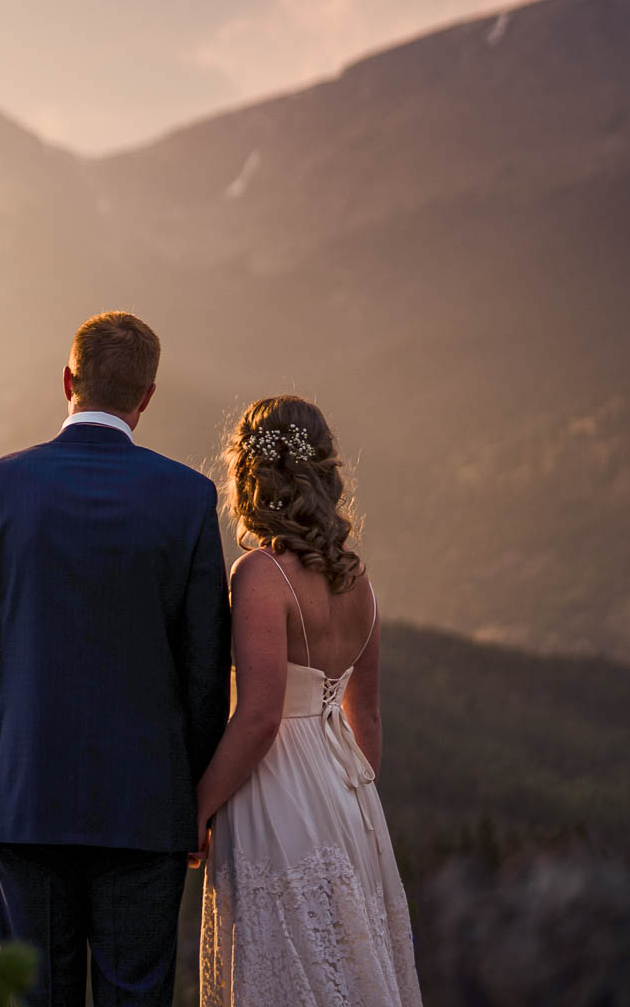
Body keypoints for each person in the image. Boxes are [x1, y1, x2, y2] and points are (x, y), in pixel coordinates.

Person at [0, 311, 231, 1007]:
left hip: (22, 794)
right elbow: (205, 666)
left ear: (68, 380)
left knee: (38, 994)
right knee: (136, 993)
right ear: (148, 397)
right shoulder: (188, 499)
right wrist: (196, 801)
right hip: (146, 805)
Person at [196, 395, 422, 1006]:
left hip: (276, 792)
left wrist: (198, 808)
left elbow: (261, 715)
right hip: (349, 794)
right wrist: (350, 802)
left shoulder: (260, 575)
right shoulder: (357, 577)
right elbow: (366, 717)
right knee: (346, 967)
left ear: (249, 474)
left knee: (285, 969)